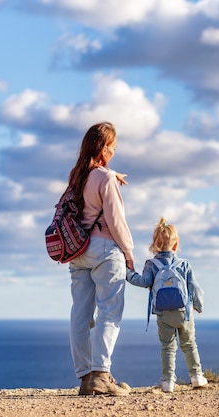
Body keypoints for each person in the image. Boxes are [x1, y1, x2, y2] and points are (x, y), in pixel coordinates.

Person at [67, 121, 135, 396]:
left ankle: (85, 377)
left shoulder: (77, 177)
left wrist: (111, 173)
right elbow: (116, 221)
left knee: (80, 314)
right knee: (109, 311)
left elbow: (93, 184)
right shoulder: (104, 179)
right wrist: (128, 252)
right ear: (104, 148)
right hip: (105, 249)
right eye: (113, 149)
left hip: (77, 250)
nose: (114, 153)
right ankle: (101, 374)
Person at [126, 217, 207, 393]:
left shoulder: (151, 264)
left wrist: (127, 273)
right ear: (176, 245)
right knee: (189, 344)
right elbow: (194, 287)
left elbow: (143, 281)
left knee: (168, 348)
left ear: (154, 245)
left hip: (163, 314)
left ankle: (168, 381)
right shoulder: (184, 264)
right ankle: (197, 376)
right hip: (183, 312)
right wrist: (198, 306)